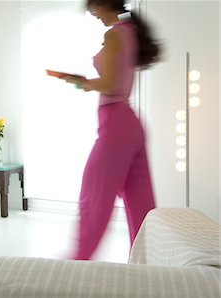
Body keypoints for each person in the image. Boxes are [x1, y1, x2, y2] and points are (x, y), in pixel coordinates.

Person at [59, 0, 162, 260]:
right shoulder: (129, 31)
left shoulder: (115, 32)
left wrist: (80, 82)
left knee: (93, 198)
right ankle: (146, 265)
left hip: (116, 126)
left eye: (93, 9)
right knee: (141, 207)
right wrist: (83, 83)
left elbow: (109, 83)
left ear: (103, 3)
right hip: (130, 125)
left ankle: (77, 264)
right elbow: (116, 81)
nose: (94, 15)